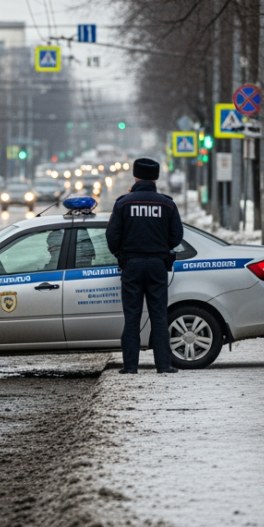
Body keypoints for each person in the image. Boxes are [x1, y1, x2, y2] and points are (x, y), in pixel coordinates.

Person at [105, 157, 184, 374]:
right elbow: (177, 236)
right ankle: (163, 365)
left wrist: (122, 254)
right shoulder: (167, 204)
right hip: (158, 264)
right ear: (156, 178)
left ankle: (130, 367)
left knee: (132, 317)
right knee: (159, 316)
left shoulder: (123, 203)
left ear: (136, 176)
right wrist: (159, 247)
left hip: (131, 265)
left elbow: (112, 236)